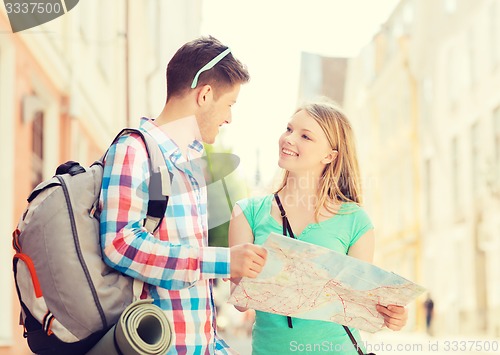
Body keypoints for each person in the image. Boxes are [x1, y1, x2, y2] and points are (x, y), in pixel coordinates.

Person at [99, 36, 267, 354]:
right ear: (204, 95)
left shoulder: (190, 163)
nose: (230, 117)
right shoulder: (135, 150)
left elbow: (190, 286)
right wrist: (224, 260)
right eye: (229, 104)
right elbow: (120, 244)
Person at [228, 99, 408, 354]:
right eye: (289, 129)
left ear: (330, 156)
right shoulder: (247, 213)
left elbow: (357, 305)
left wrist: (392, 315)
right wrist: (239, 273)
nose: (289, 139)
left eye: (305, 136)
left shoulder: (356, 220)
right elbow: (240, 304)